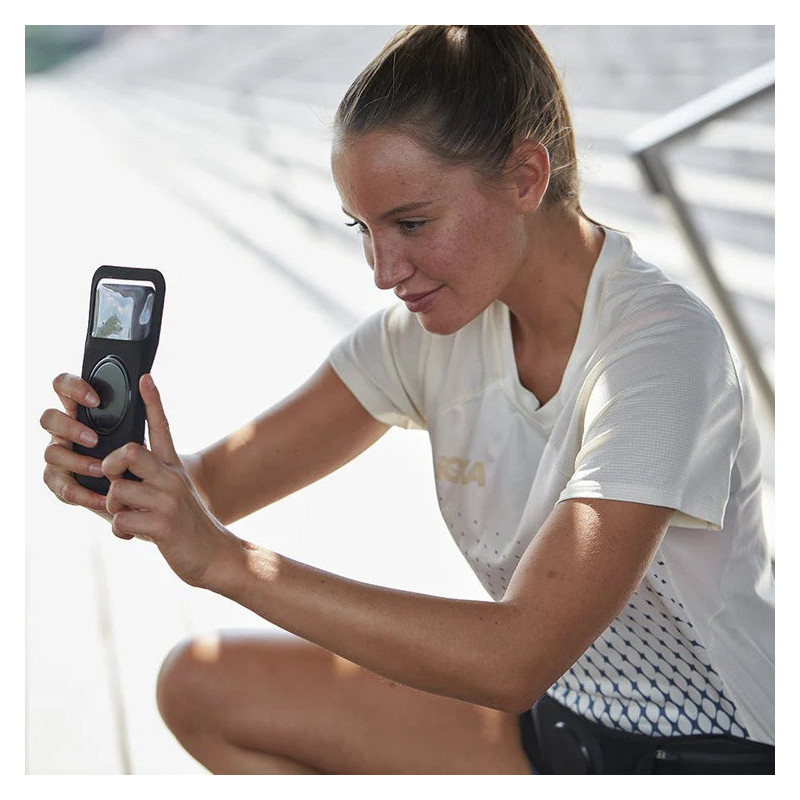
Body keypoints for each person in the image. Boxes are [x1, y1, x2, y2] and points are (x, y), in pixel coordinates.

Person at [40, 25, 775, 774]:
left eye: (412, 223)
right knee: (200, 687)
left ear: (526, 178)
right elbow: (211, 489)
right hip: (553, 726)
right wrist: (118, 470)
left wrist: (228, 563)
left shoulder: (661, 351)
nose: (383, 269)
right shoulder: (429, 331)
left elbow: (516, 657)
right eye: (363, 228)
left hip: (711, 756)